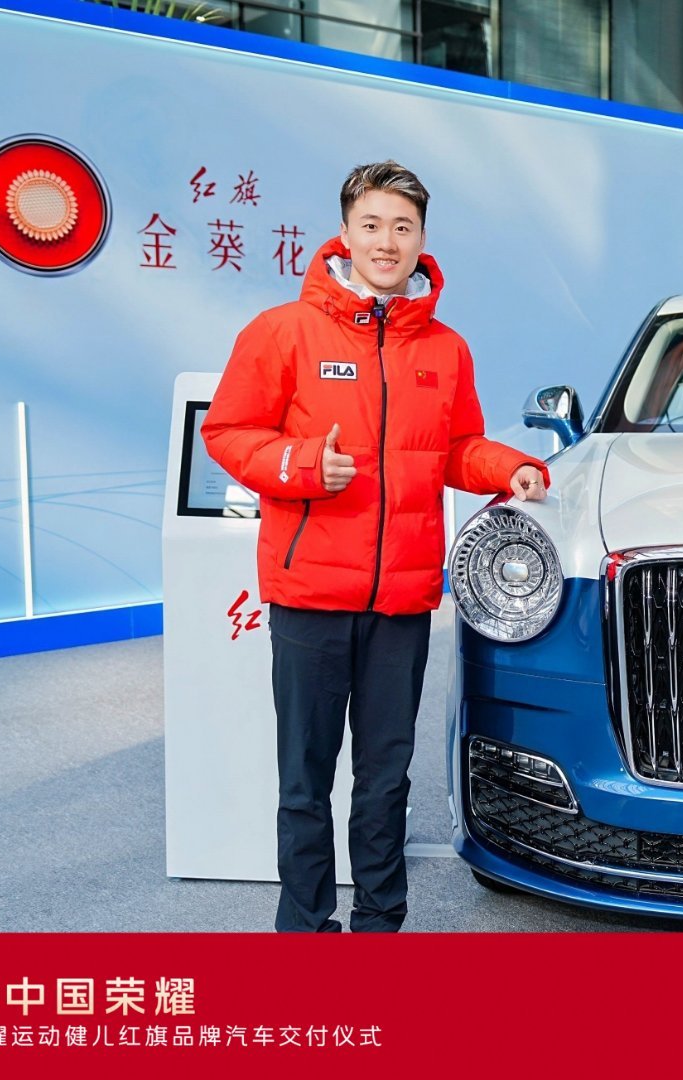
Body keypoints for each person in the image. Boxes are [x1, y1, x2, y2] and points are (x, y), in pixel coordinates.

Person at [201, 161, 548, 932]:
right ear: (345, 234)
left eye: (402, 227)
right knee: (305, 782)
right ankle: (305, 929)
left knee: (385, 781)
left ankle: (379, 929)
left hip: (402, 601)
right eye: (372, 225)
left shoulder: (445, 349)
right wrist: (300, 466)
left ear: (421, 239)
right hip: (310, 597)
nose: (386, 242)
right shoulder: (283, 332)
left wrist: (511, 468)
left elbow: (455, 448)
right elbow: (227, 431)